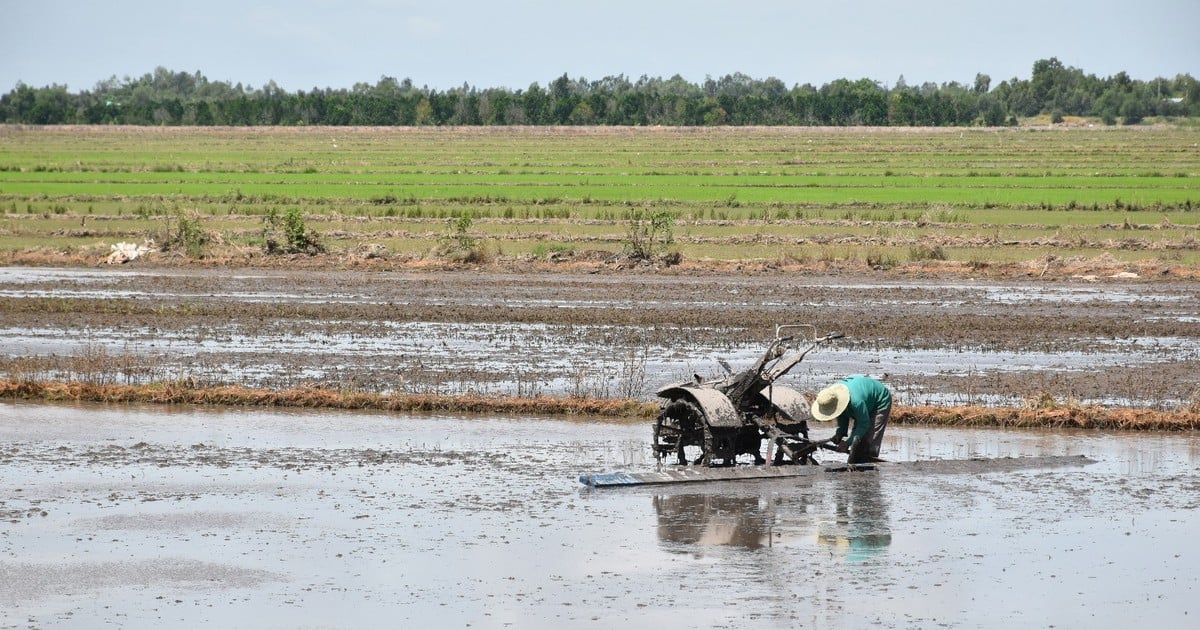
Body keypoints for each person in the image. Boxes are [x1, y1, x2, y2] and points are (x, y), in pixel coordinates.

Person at [810, 375, 892, 464]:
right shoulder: (832, 395)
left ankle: (870, 465)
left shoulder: (856, 402)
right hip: (864, 399)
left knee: (870, 440)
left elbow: (864, 424)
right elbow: (841, 414)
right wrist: (840, 433)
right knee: (857, 442)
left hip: (880, 400)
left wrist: (847, 443)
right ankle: (856, 463)